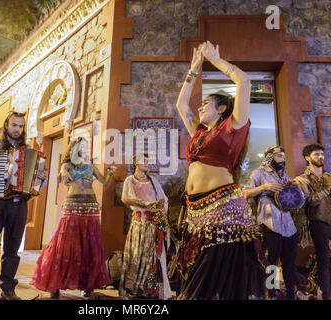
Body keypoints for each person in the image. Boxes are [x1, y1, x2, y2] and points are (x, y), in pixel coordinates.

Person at [175, 41, 266, 300]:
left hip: (223, 208)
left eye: (206, 104)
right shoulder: (200, 133)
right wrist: (194, 67)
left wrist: (215, 60)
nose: (200, 108)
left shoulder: (232, 127)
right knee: (196, 272)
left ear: (222, 108)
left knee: (214, 277)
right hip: (195, 210)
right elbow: (181, 106)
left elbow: (244, 82)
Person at [0, 111, 48, 300]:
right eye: (14, 125)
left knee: (12, 251)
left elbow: (35, 185)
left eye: (20, 126)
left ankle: (7, 290)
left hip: (18, 205)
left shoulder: (28, 151)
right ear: (6, 126)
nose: (17, 129)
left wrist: (41, 179)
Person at [30, 136, 114, 299]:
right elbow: (62, 172)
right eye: (79, 147)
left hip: (90, 207)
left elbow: (104, 182)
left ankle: (86, 285)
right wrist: (63, 172)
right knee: (65, 245)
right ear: (73, 149)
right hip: (72, 207)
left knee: (88, 246)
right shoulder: (68, 165)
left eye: (85, 147)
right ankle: (55, 284)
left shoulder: (91, 166)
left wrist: (111, 174)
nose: (83, 149)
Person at [294, 143, 331, 300]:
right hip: (319, 223)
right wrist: (328, 187)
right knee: (323, 261)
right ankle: (327, 295)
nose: (320, 157)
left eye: (322, 154)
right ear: (307, 158)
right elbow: (310, 201)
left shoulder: (330, 177)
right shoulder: (301, 180)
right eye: (316, 154)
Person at [243, 146, 298, 300]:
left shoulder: (284, 177)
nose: (283, 159)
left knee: (290, 263)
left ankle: (291, 295)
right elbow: (244, 193)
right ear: (269, 158)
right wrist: (264, 187)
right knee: (271, 263)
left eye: (284, 156)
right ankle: (272, 294)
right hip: (269, 224)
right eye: (279, 156)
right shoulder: (258, 174)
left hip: (289, 226)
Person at [120, 153, 171, 300]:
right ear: (135, 162)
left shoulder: (153, 181)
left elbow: (163, 199)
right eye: (144, 161)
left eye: (149, 161)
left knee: (153, 258)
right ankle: (132, 288)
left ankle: (150, 289)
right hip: (139, 224)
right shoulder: (130, 181)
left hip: (153, 224)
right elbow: (125, 199)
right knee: (136, 255)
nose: (147, 163)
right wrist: (144, 204)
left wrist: (160, 209)